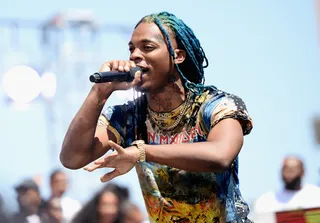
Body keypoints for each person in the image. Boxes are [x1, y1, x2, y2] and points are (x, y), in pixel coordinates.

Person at [60, 11, 253, 223]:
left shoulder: (216, 106)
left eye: (147, 47)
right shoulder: (128, 117)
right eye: (131, 49)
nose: (134, 55)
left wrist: (141, 152)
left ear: (177, 55)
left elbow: (220, 155)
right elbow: (72, 158)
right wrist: (98, 93)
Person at [253, 155, 320, 216]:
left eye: (293, 169)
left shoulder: (316, 195)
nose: (288, 173)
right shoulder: (266, 201)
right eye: (285, 169)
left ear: (302, 172)